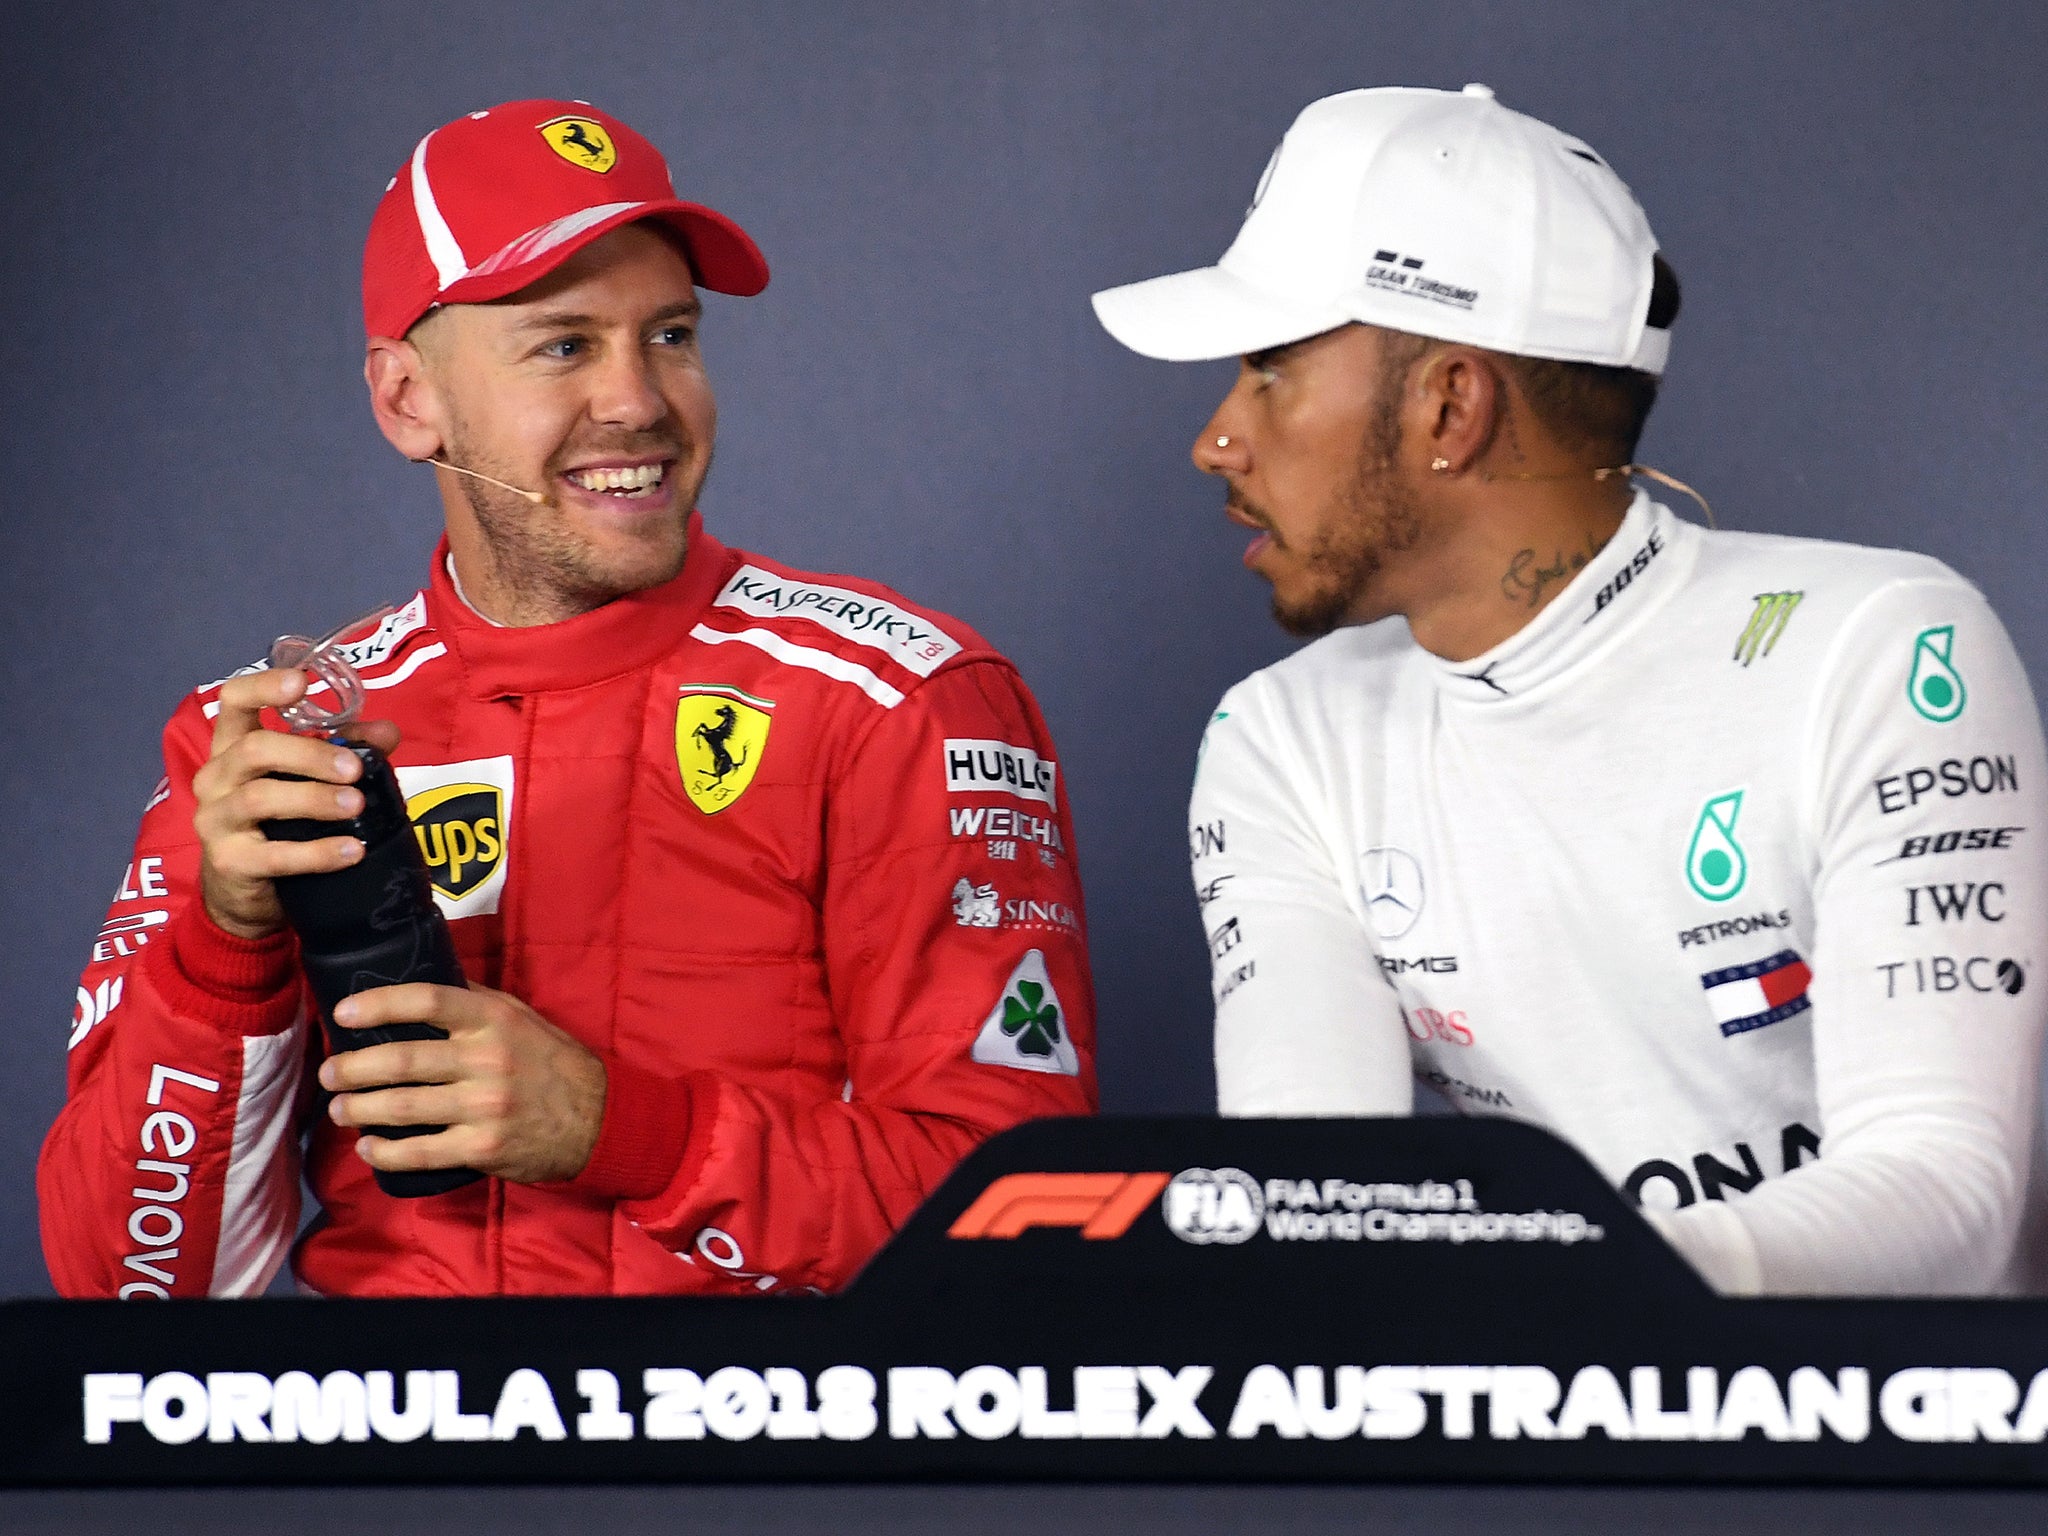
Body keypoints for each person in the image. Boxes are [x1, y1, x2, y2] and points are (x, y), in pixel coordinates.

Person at [41, 98, 1095, 1299]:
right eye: (564, 344)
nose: (641, 401)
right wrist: (226, 942)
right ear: (407, 401)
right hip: (395, 1467)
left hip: (769, 1465)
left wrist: (622, 1132)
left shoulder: (899, 701)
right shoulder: (273, 743)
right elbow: (130, 1290)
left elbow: (1024, 1229)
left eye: (672, 336)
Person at [1091, 84, 2046, 1295]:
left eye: (1269, 368)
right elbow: (1307, 1200)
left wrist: (1562, 1287)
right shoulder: (1281, 736)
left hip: (1898, 1462)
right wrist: (1552, 1303)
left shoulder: (1880, 646)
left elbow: (1948, 1196)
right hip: (1552, 1437)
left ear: (1450, 403)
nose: (1215, 439)